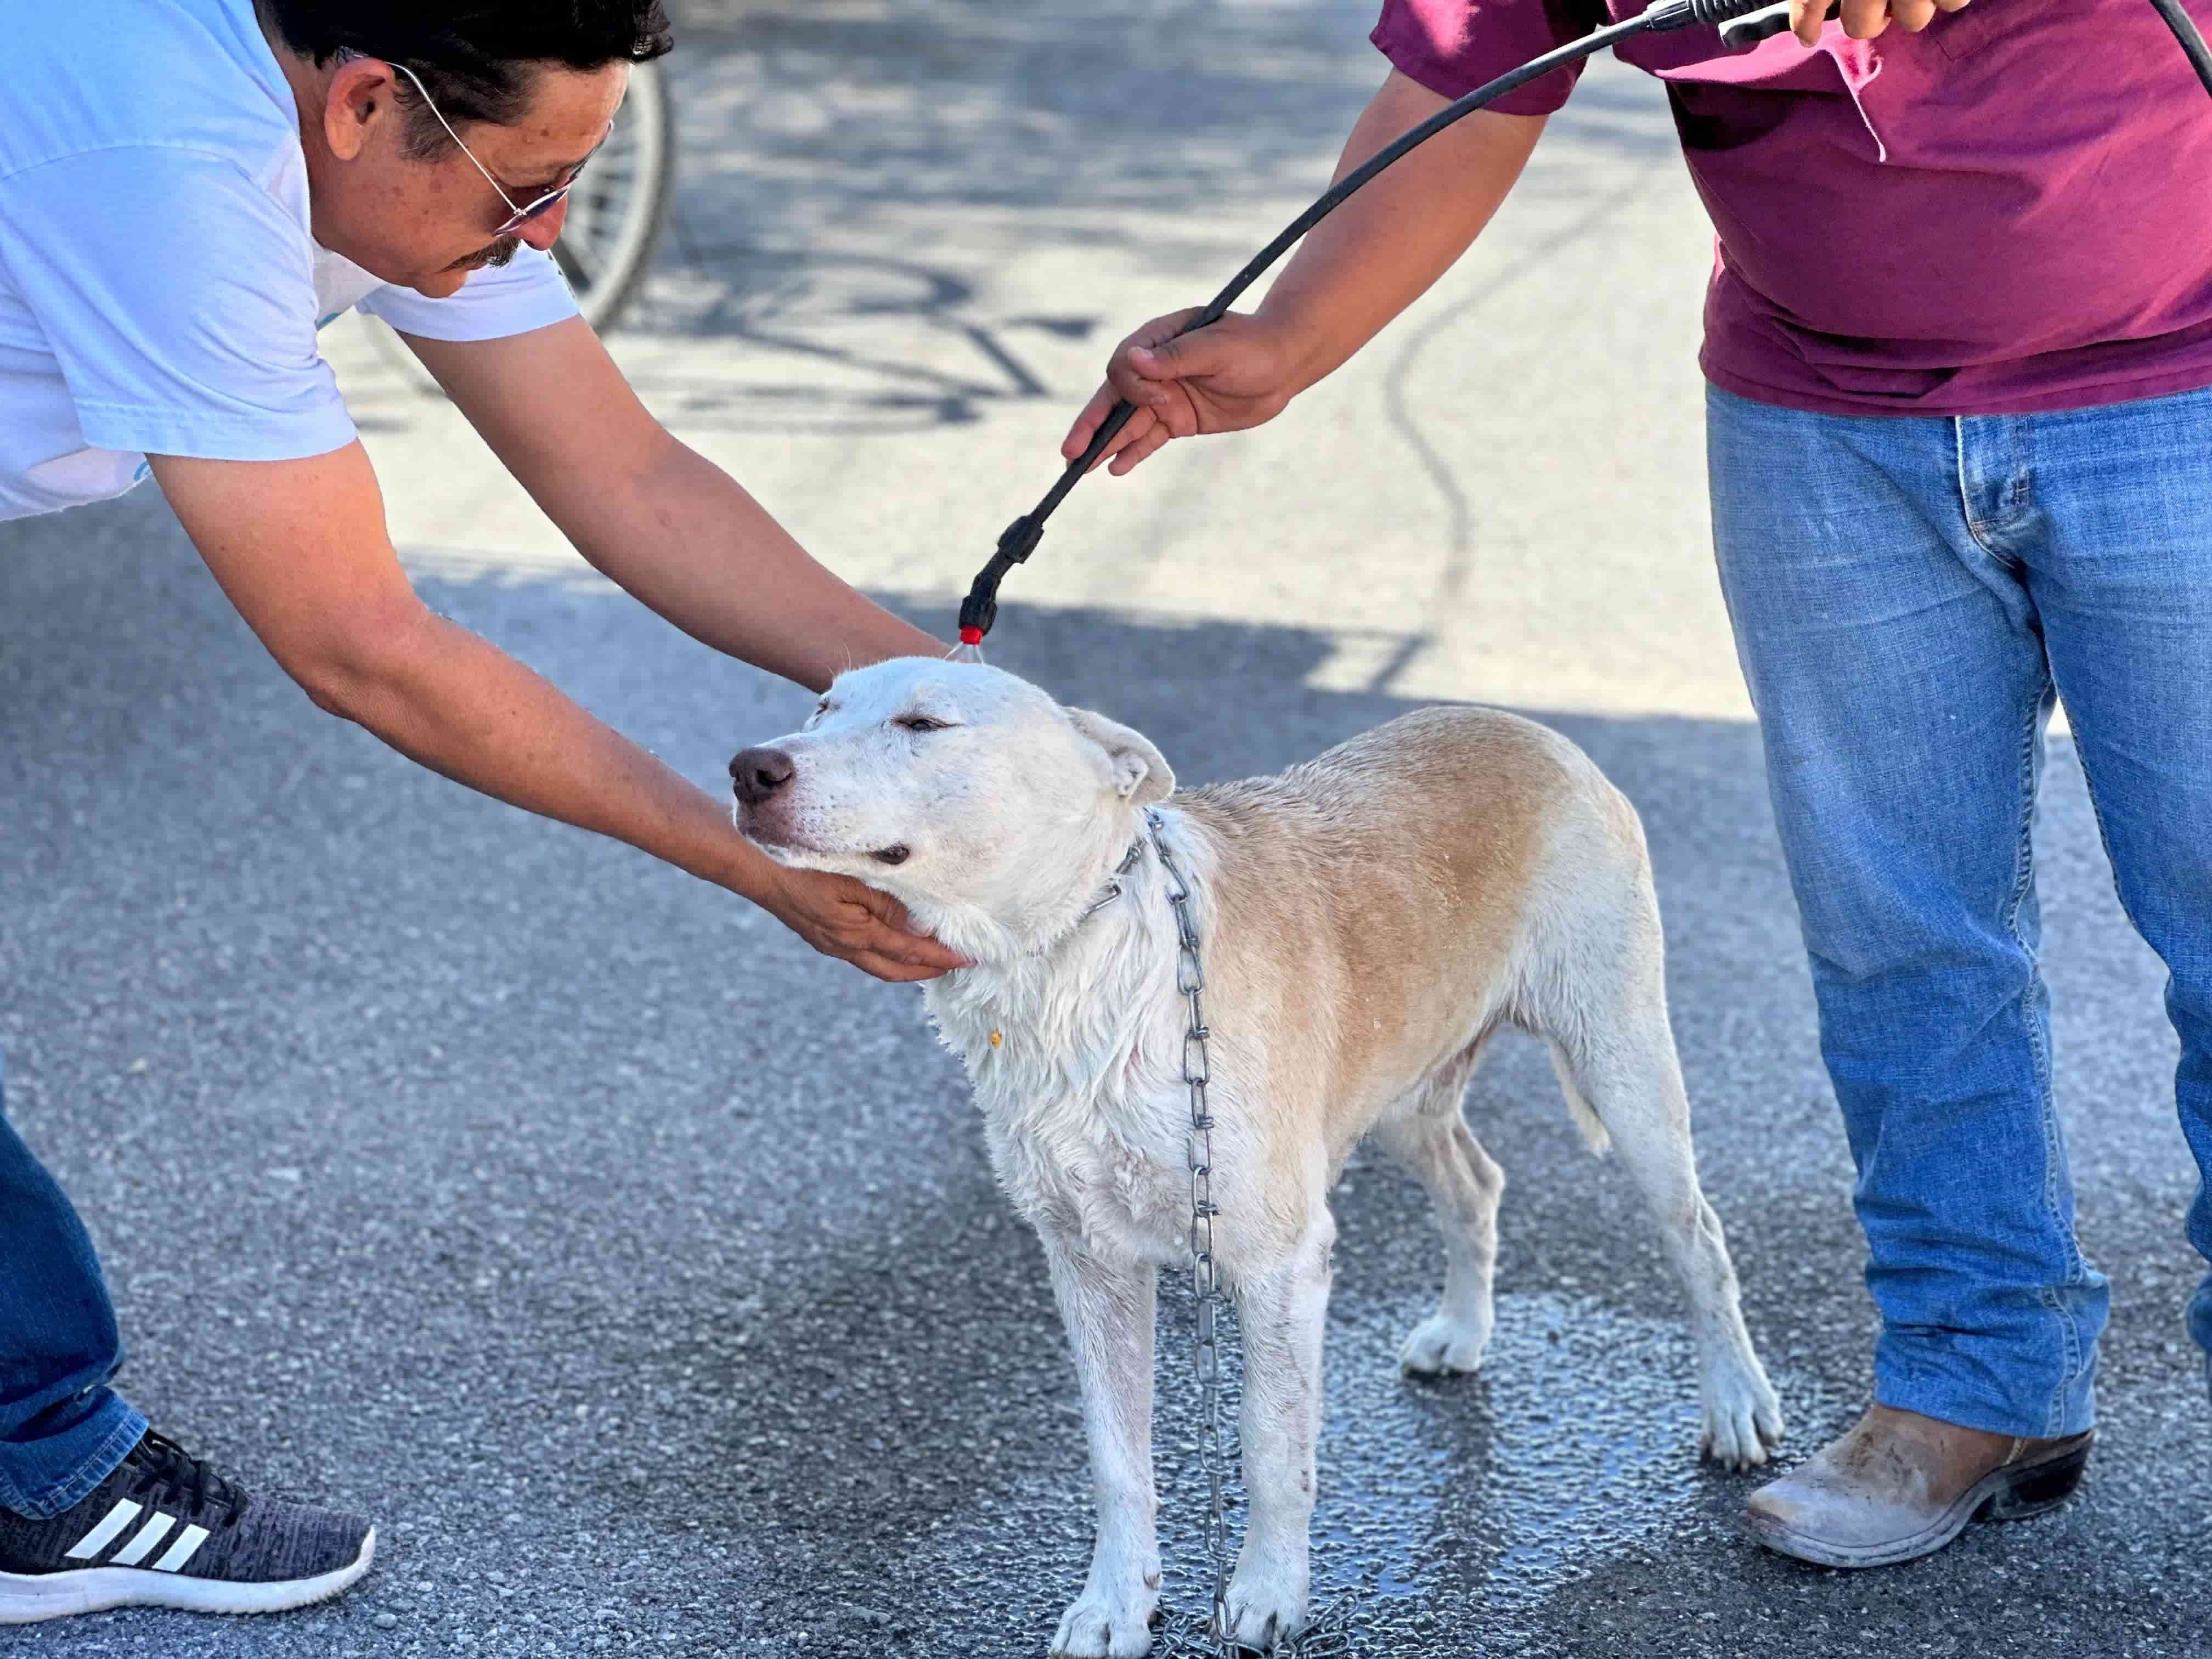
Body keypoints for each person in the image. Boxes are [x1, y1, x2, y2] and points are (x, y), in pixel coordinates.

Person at [1064, 0, 2212, 1570]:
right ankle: (1977, 1378)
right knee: (1902, 935)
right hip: (1828, 421)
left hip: (2183, 374)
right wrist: (1288, 338)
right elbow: (1479, 65)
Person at [0, 0, 964, 1624]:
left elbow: (629, 479)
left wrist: (968, 713)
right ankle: (40, 1470)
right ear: (367, 106)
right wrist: (748, 859)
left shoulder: (387, 116)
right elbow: (366, 648)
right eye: (528, 190)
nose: (553, 230)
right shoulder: (172, 165)